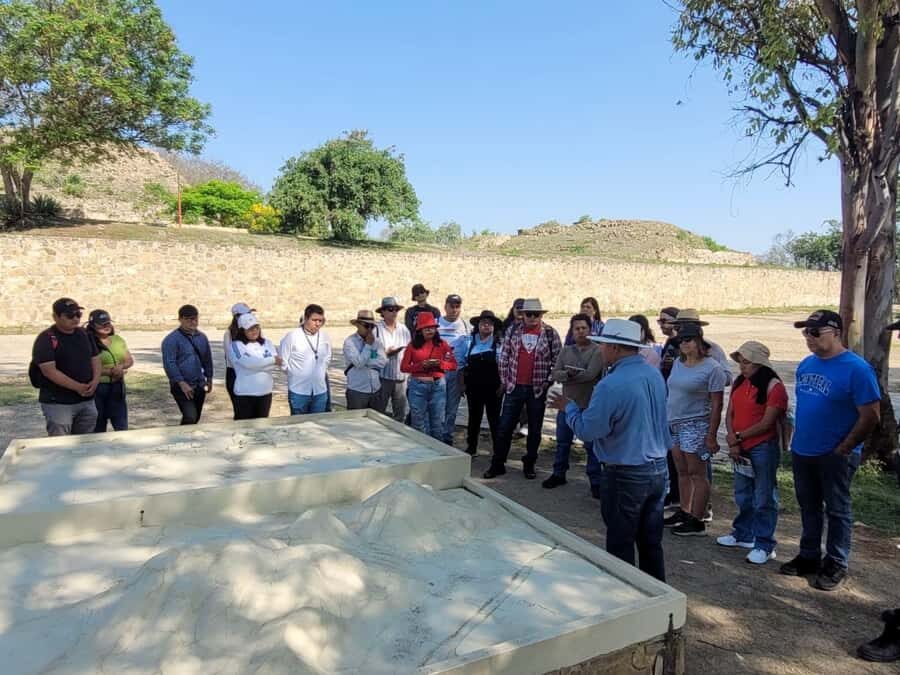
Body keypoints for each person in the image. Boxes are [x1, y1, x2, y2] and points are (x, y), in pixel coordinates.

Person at [549, 318, 671, 582]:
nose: (600, 350)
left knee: (620, 543)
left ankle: (624, 598)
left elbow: (589, 431)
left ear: (615, 348)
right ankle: (658, 598)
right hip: (657, 469)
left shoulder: (611, 384)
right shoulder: (653, 374)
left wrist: (568, 408)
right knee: (651, 542)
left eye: (603, 345)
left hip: (625, 471)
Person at [779, 310, 880, 591]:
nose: (809, 338)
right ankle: (809, 555)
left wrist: (847, 446)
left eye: (815, 332)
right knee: (808, 506)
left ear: (835, 332)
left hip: (835, 453)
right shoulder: (806, 365)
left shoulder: (857, 369)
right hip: (804, 449)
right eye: (805, 333)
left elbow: (871, 414)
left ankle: (836, 561)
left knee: (837, 509)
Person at [718, 341, 788, 565]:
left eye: (746, 362)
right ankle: (743, 534)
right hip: (742, 446)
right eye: (740, 361)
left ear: (759, 364)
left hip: (762, 447)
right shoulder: (740, 382)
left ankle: (764, 544)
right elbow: (730, 413)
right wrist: (733, 440)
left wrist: (738, 437)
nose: (742, 366)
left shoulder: (774, 387)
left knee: (764, 497)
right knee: (743, 494)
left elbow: (767, 423)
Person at [484, 298, 562, 480]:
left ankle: (529, 464)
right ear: (523, 315)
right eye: (529, 314)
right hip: (515, 387)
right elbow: (504, 356)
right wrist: (506, 380)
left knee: (534, 430)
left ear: (541, 315)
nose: (532, 318)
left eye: (536, 314)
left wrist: (548, 381)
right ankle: (498, 463)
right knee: (504, 428)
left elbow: (558, 359)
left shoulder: (550, 333)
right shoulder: (513, 330)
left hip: (536, 389)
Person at [663, 324, 727, 536]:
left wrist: (711, 435)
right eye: (681, 340)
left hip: (696, 423)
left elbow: (717, 404)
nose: (684, 344)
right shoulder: (679, 364)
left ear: (699, 340)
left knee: (696, 472)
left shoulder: (712, 368)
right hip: (674, 422)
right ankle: (685, 509)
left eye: (688, 339)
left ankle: (698, 519)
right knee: (681, 471)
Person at [543, 313, 605, 496]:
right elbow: (555, 374)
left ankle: (595, 481)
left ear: (590, 329)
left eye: (584, 328)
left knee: (591, 446)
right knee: (562, 443)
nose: (580, 332)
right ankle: (558, 473)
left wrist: (568, 375)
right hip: (566, 404)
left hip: (588, 405)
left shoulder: (597, 351)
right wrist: (567, 375)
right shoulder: (566, 351)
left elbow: (591, 374)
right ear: (572, 330)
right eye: (577, 328)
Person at [31, 298, 100, 436]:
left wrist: (95, 381)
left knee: (85, 443)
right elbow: (49, 371)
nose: (75, 318)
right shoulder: (46, 338)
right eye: (70, 315)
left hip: (86, 401)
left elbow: (96, 359)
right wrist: (78, 387)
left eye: (78, 314)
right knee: (60, 445)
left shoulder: (85, 334)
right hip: (58, 403)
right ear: (55, 317)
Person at [400, 312, 458, 439]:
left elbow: (453, 365)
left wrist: (440, 364)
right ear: (420, 330)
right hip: (418, 387)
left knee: (437, 423)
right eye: (426, 328)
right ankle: (420, 452)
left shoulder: (442, 344)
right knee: (418, 422)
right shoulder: (412, 346)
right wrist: (421, 365)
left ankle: (438, 453)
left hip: (438, 386)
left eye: (432, 327)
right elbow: (403, 367)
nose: (430, 330)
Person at [455, 310, 503, 455]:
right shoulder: (468, 341)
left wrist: (503, 385)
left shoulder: (499, 343)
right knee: (474, 418)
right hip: (473, 386)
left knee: (494, 419)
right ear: (478, 325)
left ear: (494, 326)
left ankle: (498, 450)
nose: (486, 326)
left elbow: (504, 366)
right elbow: (461, 365)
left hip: (493, 387)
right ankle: (471, 447)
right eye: (483, 323)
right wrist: (461, 384)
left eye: (490, 323)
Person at [161, 304, 213, 425]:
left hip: (199, 384)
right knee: (190, 416)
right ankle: (182, 439)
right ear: (180, 319)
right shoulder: (171, 340)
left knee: (196, 417)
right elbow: (169, 363)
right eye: (189, 319)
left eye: (195, 319)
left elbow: (207, 359)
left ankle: (190, 439)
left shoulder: (202, 338)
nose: (193, 322)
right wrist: (181, 382)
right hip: (181, 385)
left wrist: (209, 377)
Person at [86, 309, 134, 432]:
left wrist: (121, 367)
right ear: (92, 325)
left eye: (108, 323)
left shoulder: (118, 339)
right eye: (102, 323)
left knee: (121, 425)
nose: (106, 326)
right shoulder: (88, 342)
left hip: (117, 387)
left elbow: (129, 360)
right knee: (99, 426)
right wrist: (110, 371)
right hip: (98, 388)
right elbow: (86, 366)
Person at [280, 304, 331, 415]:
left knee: (318, 425)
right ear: (306, 318)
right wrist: (295, 374)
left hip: (320, 391)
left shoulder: (325, 337)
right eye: (314, 320)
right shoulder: (292, 336)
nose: (317, 324)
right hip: (299, 391)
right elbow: (283, 362)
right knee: (298, 426)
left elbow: (327, 358)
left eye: (320, 320)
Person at [230, 313, 282, 420]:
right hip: (245, 394)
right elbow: (248, 363)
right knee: (244, 428)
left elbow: (273, 366)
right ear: (242, 330)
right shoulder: (236, 345)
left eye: (256, 327)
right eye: (250, 329)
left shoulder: (267, 343)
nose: (254, 331)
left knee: (261, 426)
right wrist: (271, 360)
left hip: (265, 393)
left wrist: (258, 364)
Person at [438, 294, 468, 445]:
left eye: (457, 306)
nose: (454, 309)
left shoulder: (466, 326)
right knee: (437, 404)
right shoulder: (436, 323)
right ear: (445, 306)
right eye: (452, 306)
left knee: (452, 407)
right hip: (438, 372)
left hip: (457, 373)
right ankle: (435, 434)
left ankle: (447, 436)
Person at [375, 296, 411, 422]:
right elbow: (371, 354)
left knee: (400, 415)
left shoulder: (404, 330)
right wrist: (385, 354)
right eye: (390, 309)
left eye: (396, 309)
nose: (394, 312)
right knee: (378, 414)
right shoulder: (375, 329)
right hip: (382, 378)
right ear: (383, 312)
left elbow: (409, 352)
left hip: (401, 378)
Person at [343, 309, 387, 410]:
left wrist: (366, 360)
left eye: (372, 326)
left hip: (375, 389)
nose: (370, 329)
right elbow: (359, 363)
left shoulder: (376, 342)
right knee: (357, 423)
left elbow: (383, 362)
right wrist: (368, 345)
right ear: (358, 325)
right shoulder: (350, 342)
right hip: (357, 391)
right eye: (367, 326)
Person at [224, 302, 254, 414]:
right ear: (236, 317)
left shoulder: (255, 331)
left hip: (252, 374)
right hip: (236, 374)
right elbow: (232, 358)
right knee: (241, 411)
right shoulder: (229, 334)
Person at [657, 306, 680, 381]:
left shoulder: (680, 342)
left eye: (664, 321)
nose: (661, 325)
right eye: (660, 321)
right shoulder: (670, 339)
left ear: (676, 321)